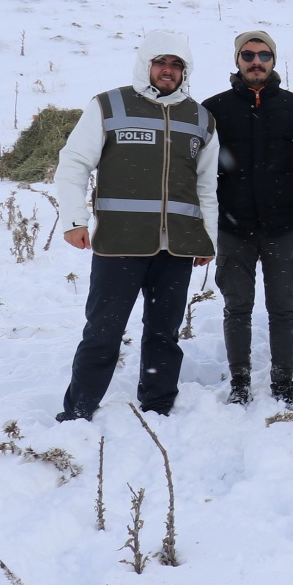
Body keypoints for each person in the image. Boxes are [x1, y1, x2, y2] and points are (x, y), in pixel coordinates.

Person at [55, 32, 219, 421]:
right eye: (161, 63)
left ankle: (159, 405)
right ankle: (78, 411)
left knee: (164, 334)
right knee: (102, 334)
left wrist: (206, 239)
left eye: (176, 65)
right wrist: (73, 218)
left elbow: (206, 185)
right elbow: (74, 162)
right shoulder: (109, 105)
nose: (168, 71)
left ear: (185, 71)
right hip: (118, 245)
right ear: (146, 65)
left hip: (177, 247)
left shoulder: (200, 117)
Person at [202, 29, 293, 405]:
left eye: (264, 55)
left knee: (283, 307)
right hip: (233, 225)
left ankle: (283, 382)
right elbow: (199, 169)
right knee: (236, 307)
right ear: (237, 60)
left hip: (282, 225)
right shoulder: (213, 109)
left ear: (274, 60)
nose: (257, 62)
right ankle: (240, 382)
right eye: (249, 55)